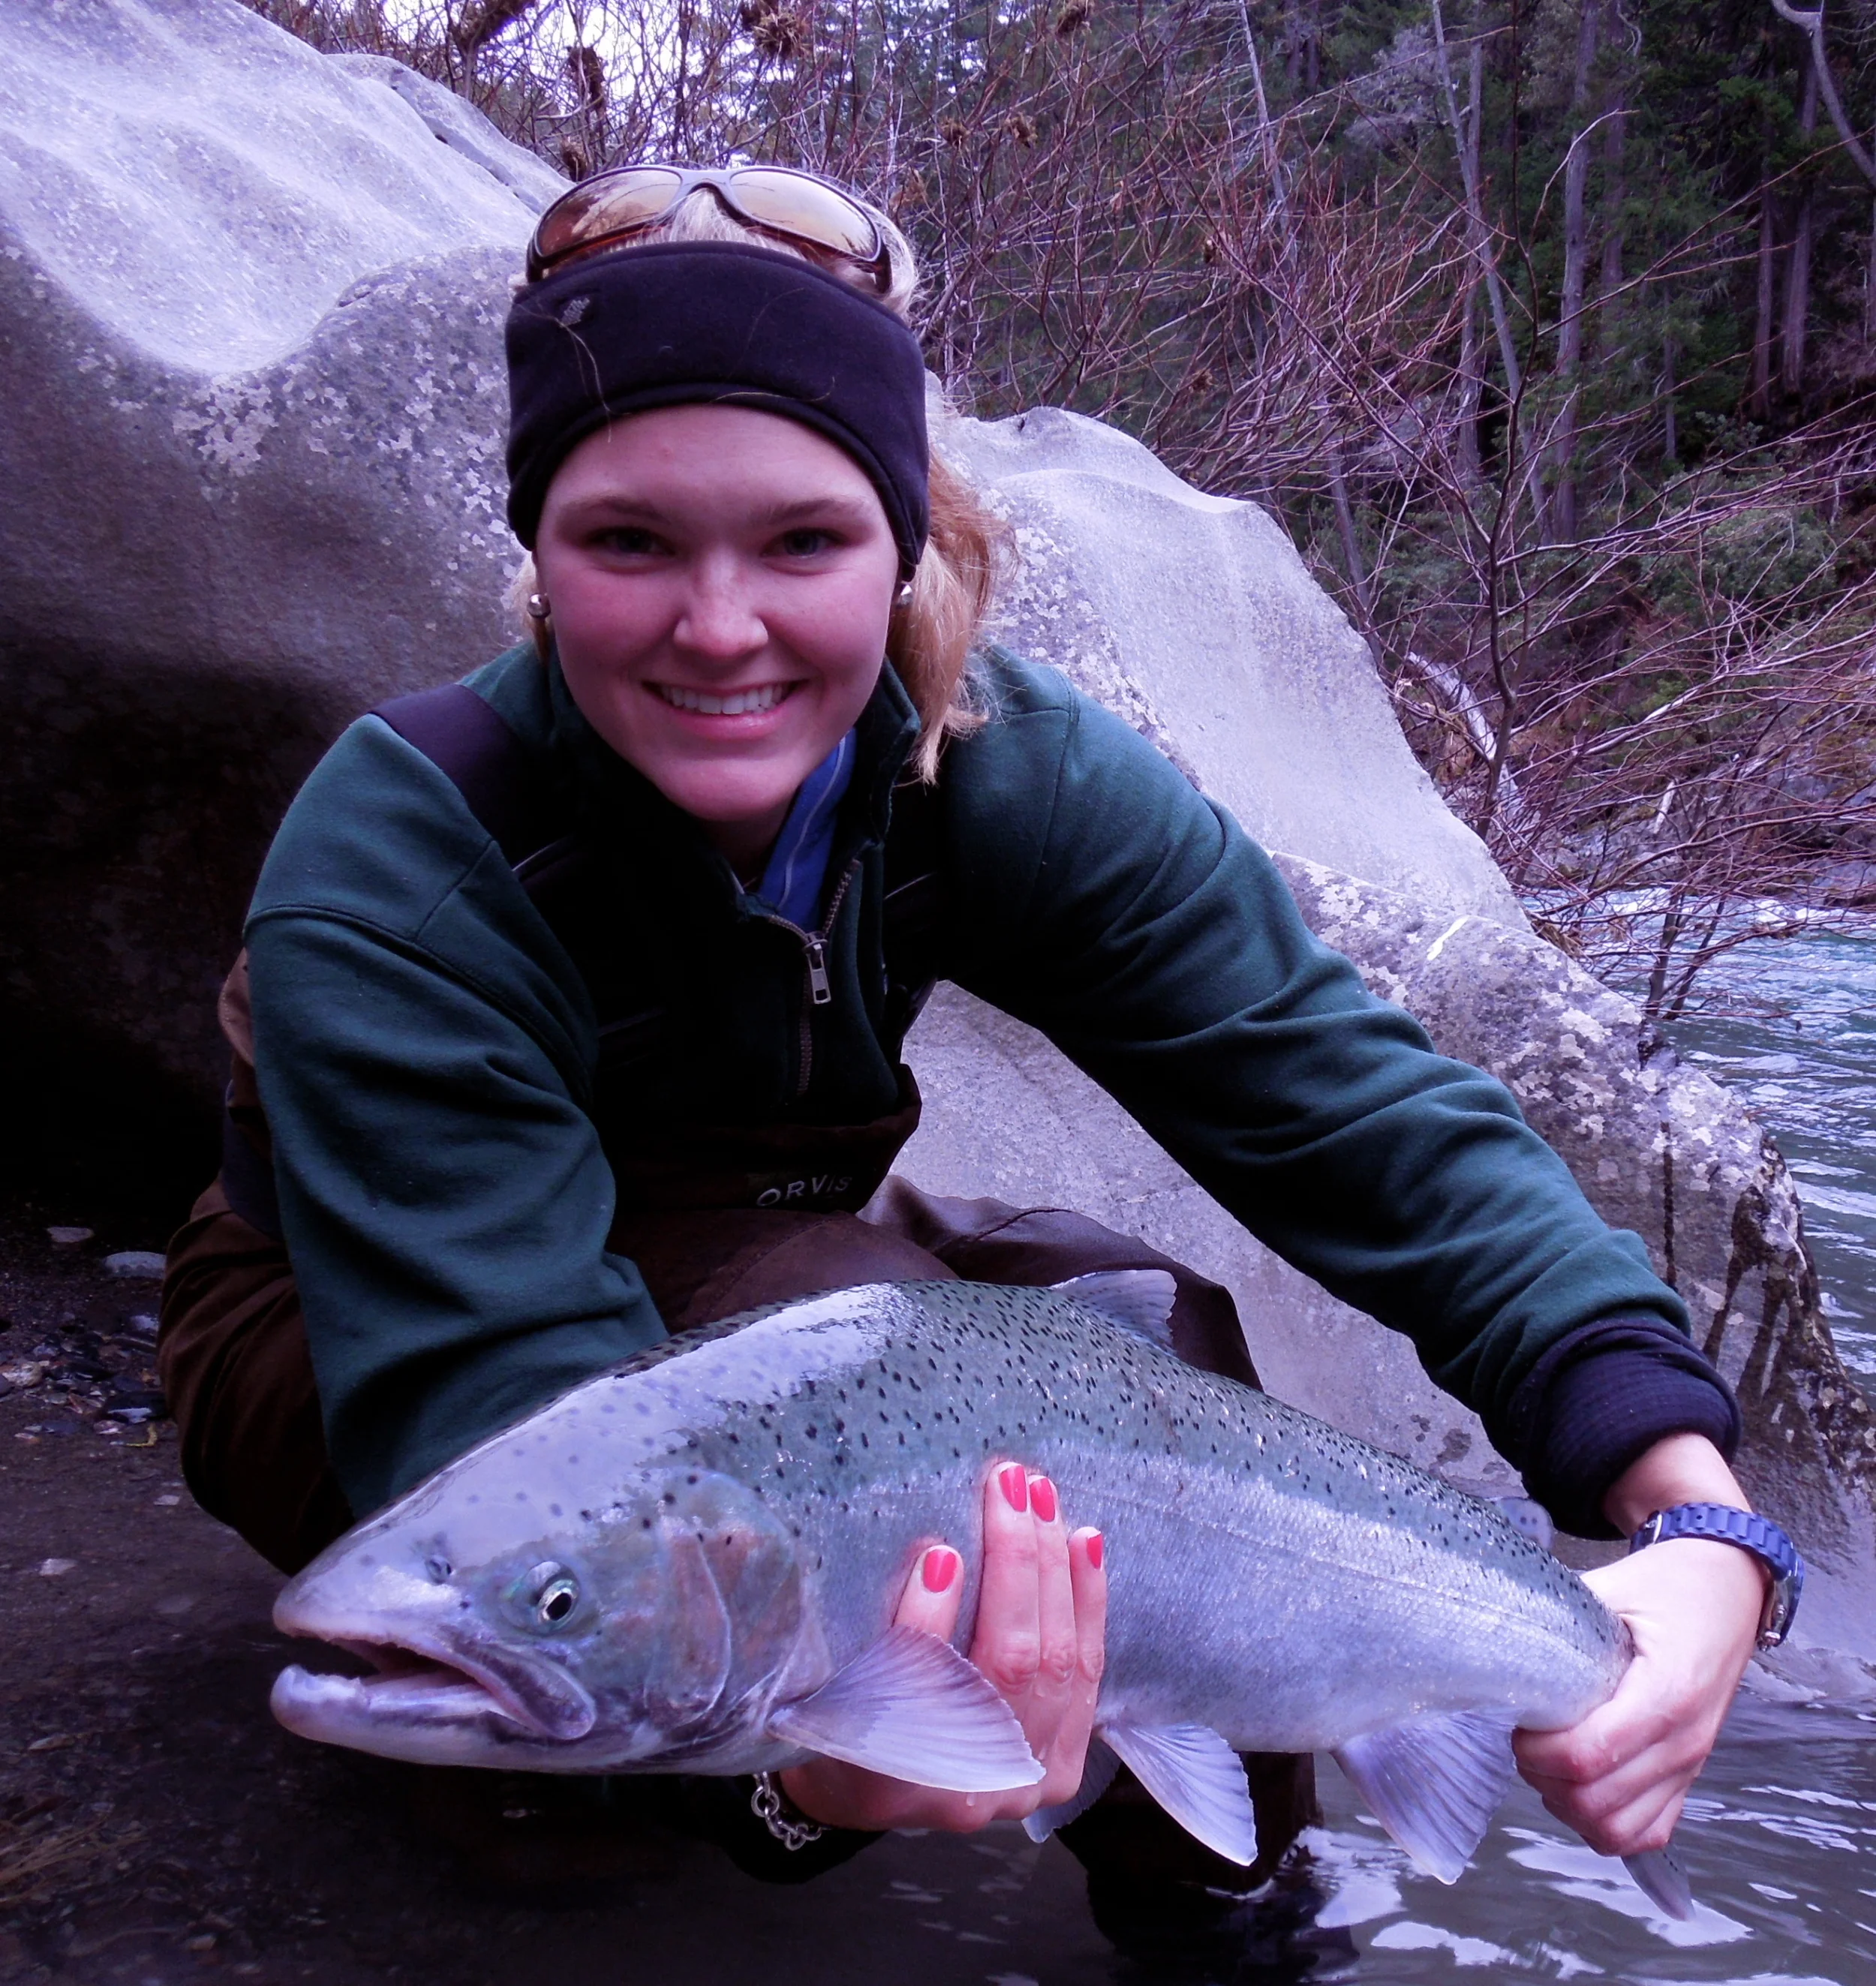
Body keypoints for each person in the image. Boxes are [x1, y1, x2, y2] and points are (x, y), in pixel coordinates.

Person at [158, 163, 1786, 1926]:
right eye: (629, 540)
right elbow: (500, 1411)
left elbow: (1354, 1114)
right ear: (538, 556)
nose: (722, 628)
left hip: (724, 1322)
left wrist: (1697, 1517)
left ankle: (1229, 1917)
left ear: (903, 541)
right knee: (804, 1377)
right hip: (353, 1318)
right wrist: (807, 1780)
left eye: (802, 541)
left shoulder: (999, 765)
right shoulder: (403, 860)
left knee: (1138, 1340)